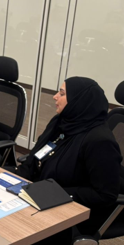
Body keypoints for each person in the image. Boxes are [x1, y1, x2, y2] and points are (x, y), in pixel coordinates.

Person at [15, 77, 122, 235]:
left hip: (70, 210)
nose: (55, 96)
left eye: (62, 93)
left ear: (78, 100)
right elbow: (35, 157)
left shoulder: (99, 141)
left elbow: (105, 194)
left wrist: (53, 193)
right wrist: (14, 180)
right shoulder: (61, 122)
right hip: (38, 194)